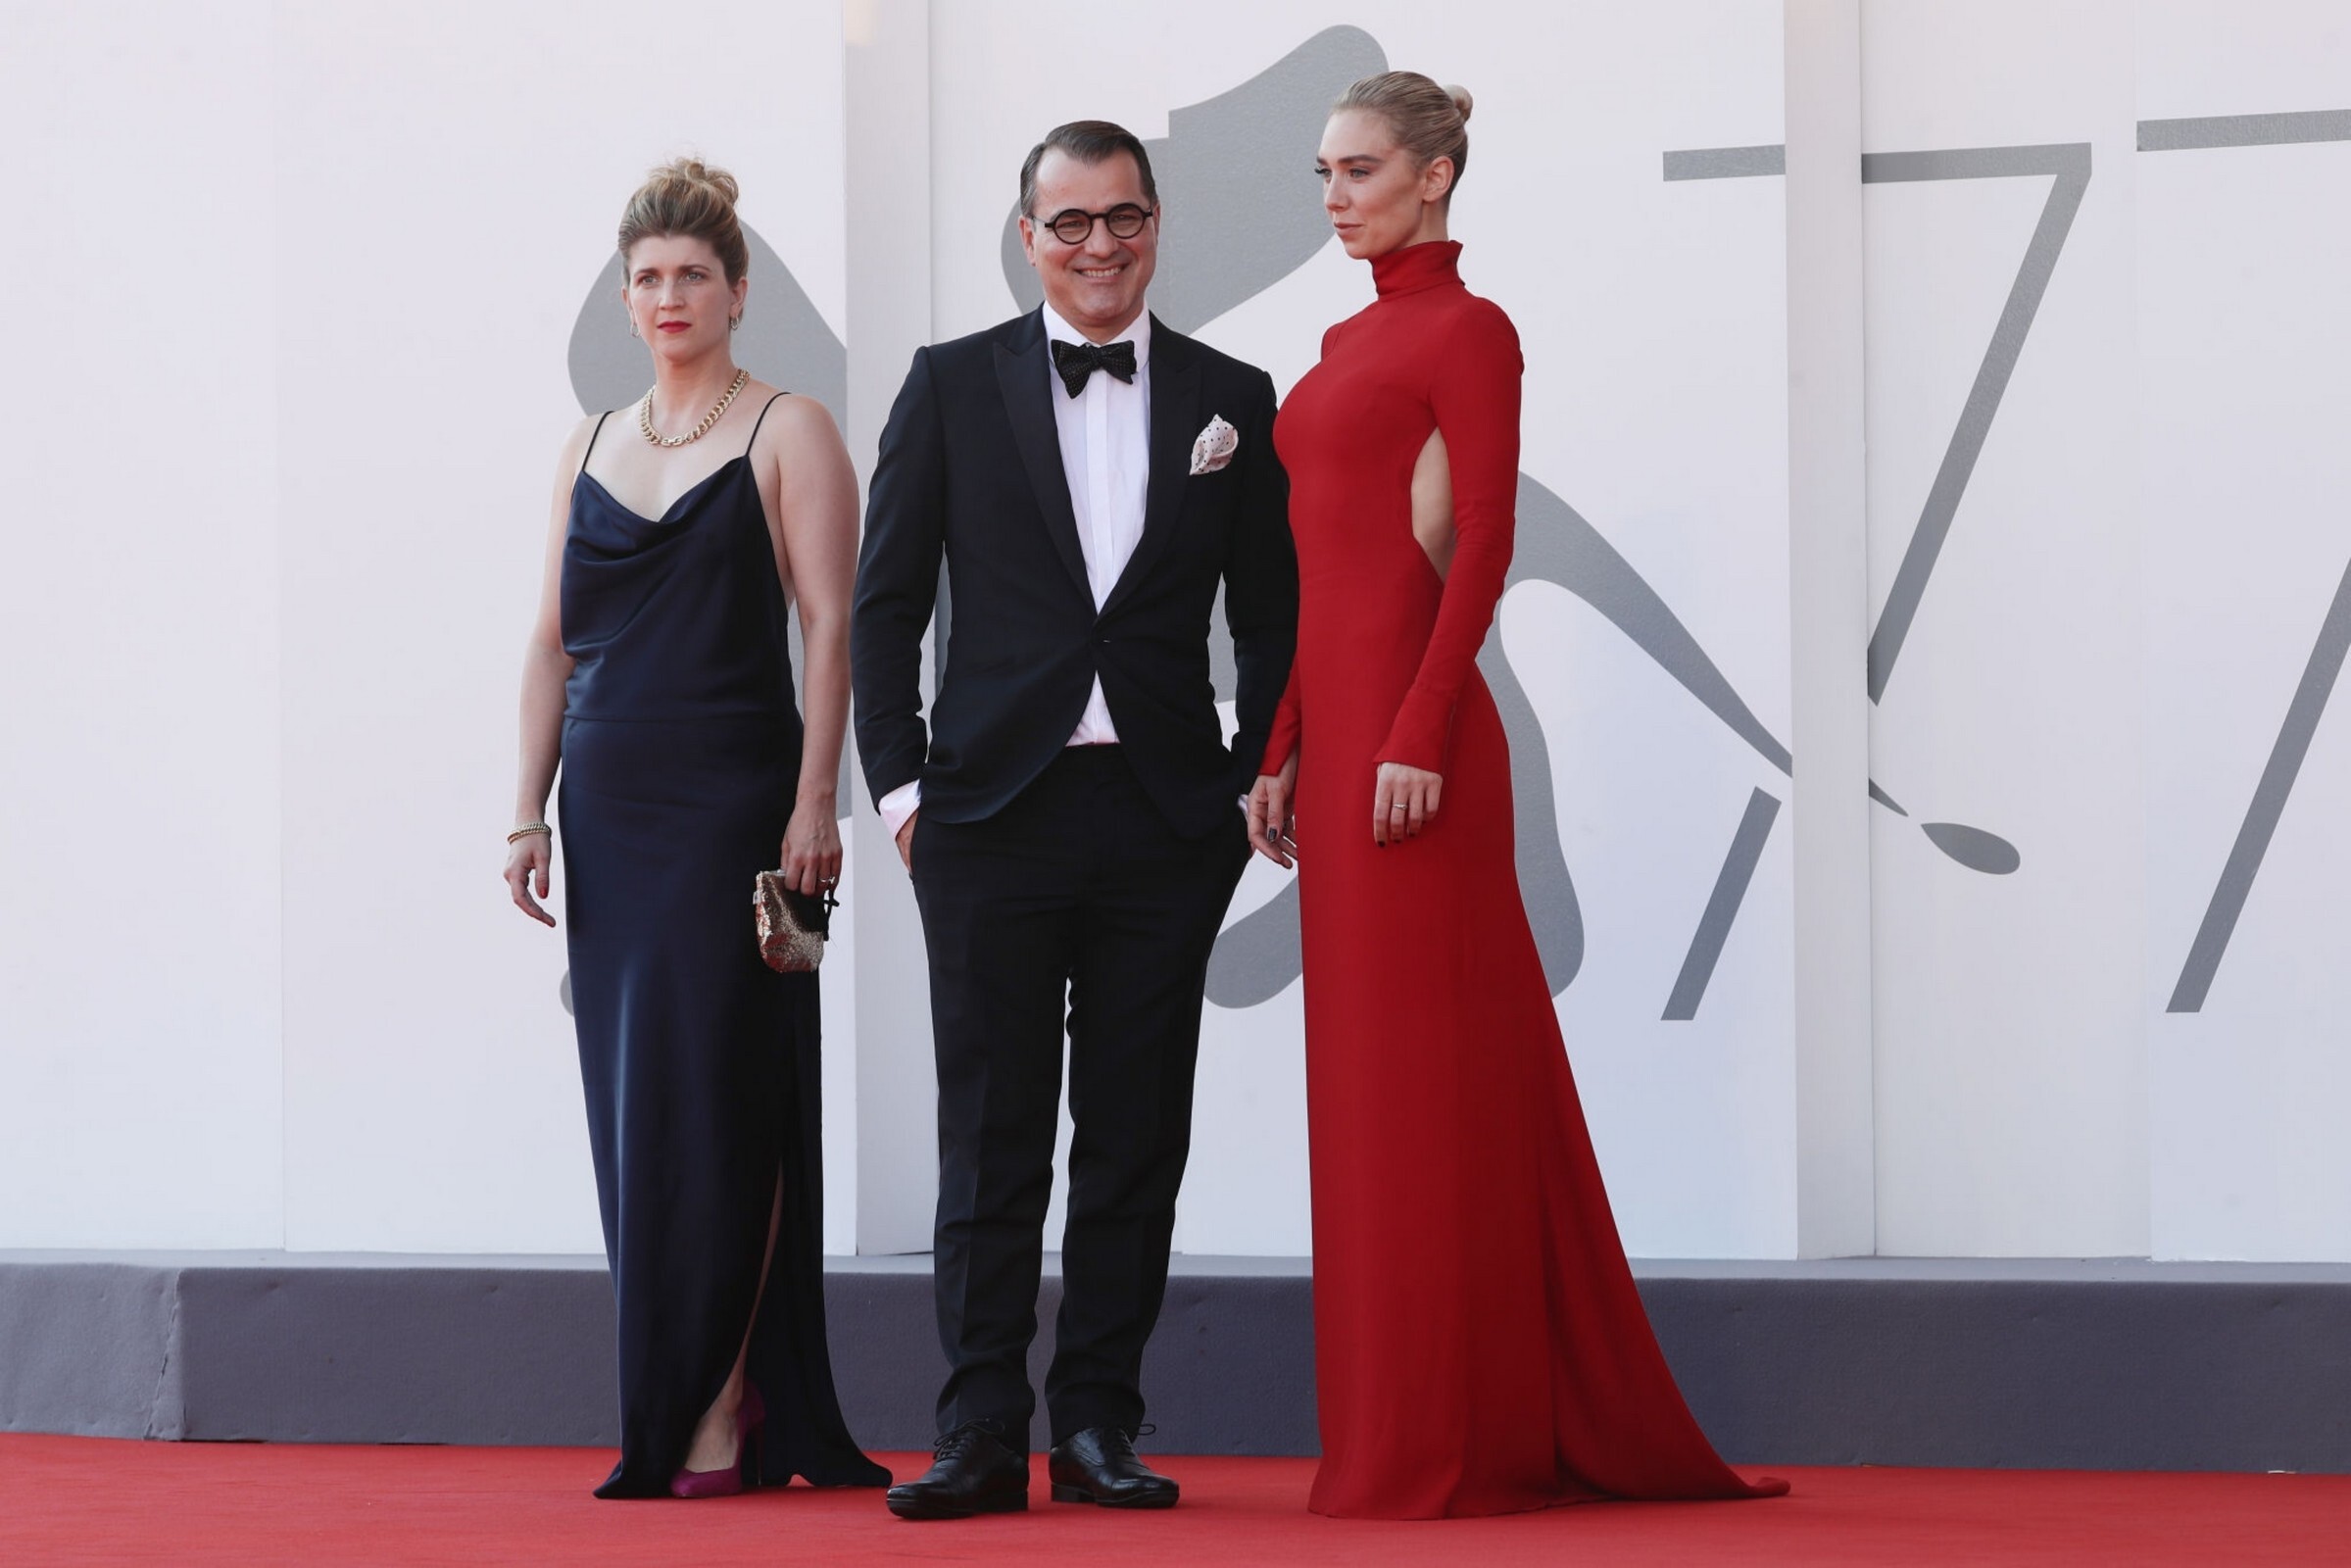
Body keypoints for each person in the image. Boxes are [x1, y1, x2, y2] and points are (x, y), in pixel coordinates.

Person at [1246, 74, 1788, 1520]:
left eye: (1361, 170)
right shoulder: (1341, 343)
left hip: (1418, 752)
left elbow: (1481, 536)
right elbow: (1321, 570)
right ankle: (1403, 1425)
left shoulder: (1472, 332)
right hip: (1342, 742)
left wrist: (1416, 728)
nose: (1335, 197)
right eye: (1324, 173)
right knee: (1373, 1103)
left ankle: (1456, 1441)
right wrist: (1282, 745)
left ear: (1434, 176)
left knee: (1433, 1093)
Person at [853, 121, 1297, 1520]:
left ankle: (1099, 1421)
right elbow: (884, 607)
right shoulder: (949, 385)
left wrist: (1248, 776)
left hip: (1165, 823)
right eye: (1070, 223)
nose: (1099, 245)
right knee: (991, 1137)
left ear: (1156, 223)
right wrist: (904, 795)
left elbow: (1272, 611)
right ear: (1027, 235)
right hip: (988, 817)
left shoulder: (1234, 395)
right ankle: (980, 1428)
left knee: (1133, 1136)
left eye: (1123, 218)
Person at [504, 158, 890, 1500]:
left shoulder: (791, 427)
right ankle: (681, 1390)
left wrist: (814, 802)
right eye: (648, 279)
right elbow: (550, 645)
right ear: (627, 299)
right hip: (609, 815)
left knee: (741, 1091)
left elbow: (833, 626)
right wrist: (525, 813)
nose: (670, 296)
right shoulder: (588, 443)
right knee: (640, 1104)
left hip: (746, 812)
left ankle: (724, 1401)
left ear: (738, 290)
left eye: (693, 275)